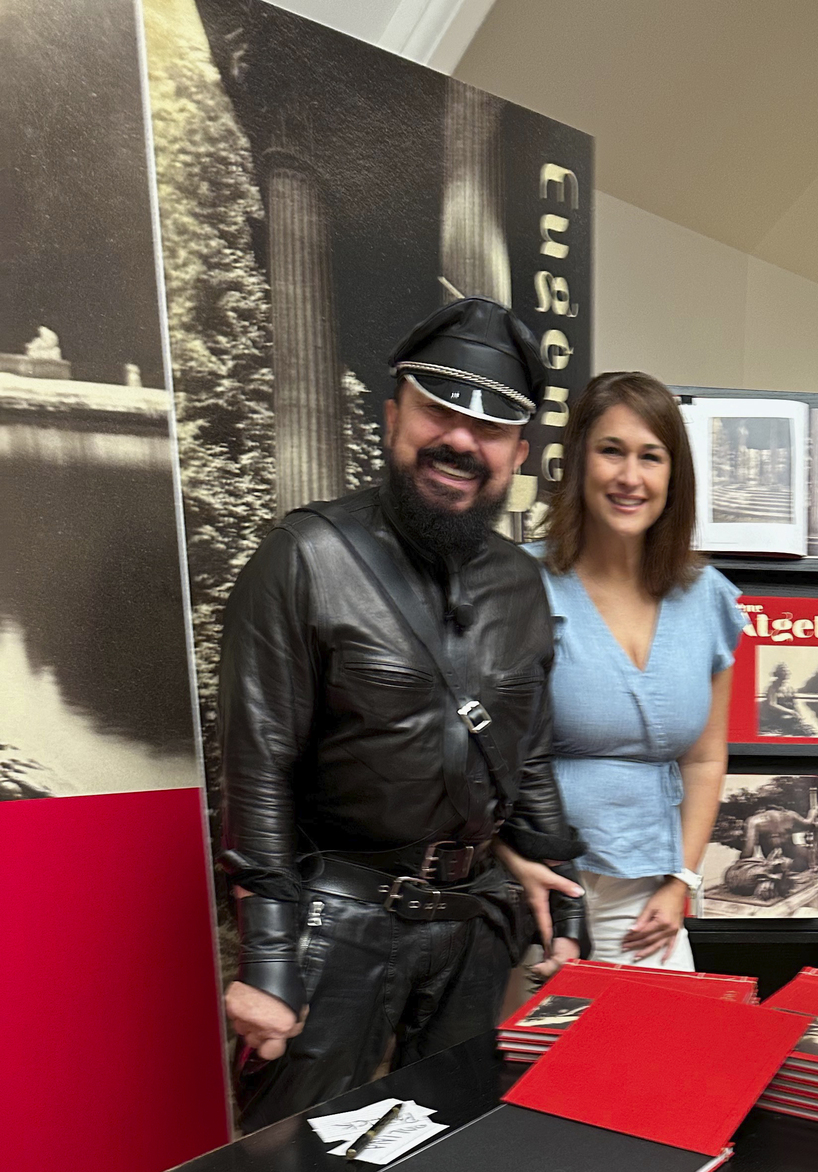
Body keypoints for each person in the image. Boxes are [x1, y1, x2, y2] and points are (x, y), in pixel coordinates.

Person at [219, 297, 587, 1129]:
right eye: (439, 411)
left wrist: (564, 906)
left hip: (474, 930)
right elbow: (257, 767)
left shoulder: (521, 586)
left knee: (447, 1161)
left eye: (490, 430)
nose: (461, 440)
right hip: (335, 929)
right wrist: (268, 959)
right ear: (393, 416)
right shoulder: (304, 557)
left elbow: (525, 760)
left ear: (517, 453)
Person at [534, 372, 740, 967]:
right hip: (536, 892)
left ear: (673, 477)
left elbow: (704, 758)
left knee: (657, 1057)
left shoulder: (709, 599)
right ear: (577, 462)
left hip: (648, 895)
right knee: (532, 1060)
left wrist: (682, 883)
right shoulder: (520, 587)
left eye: (651, 457)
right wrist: (516, 866)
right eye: (611, 451)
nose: (630, 477)